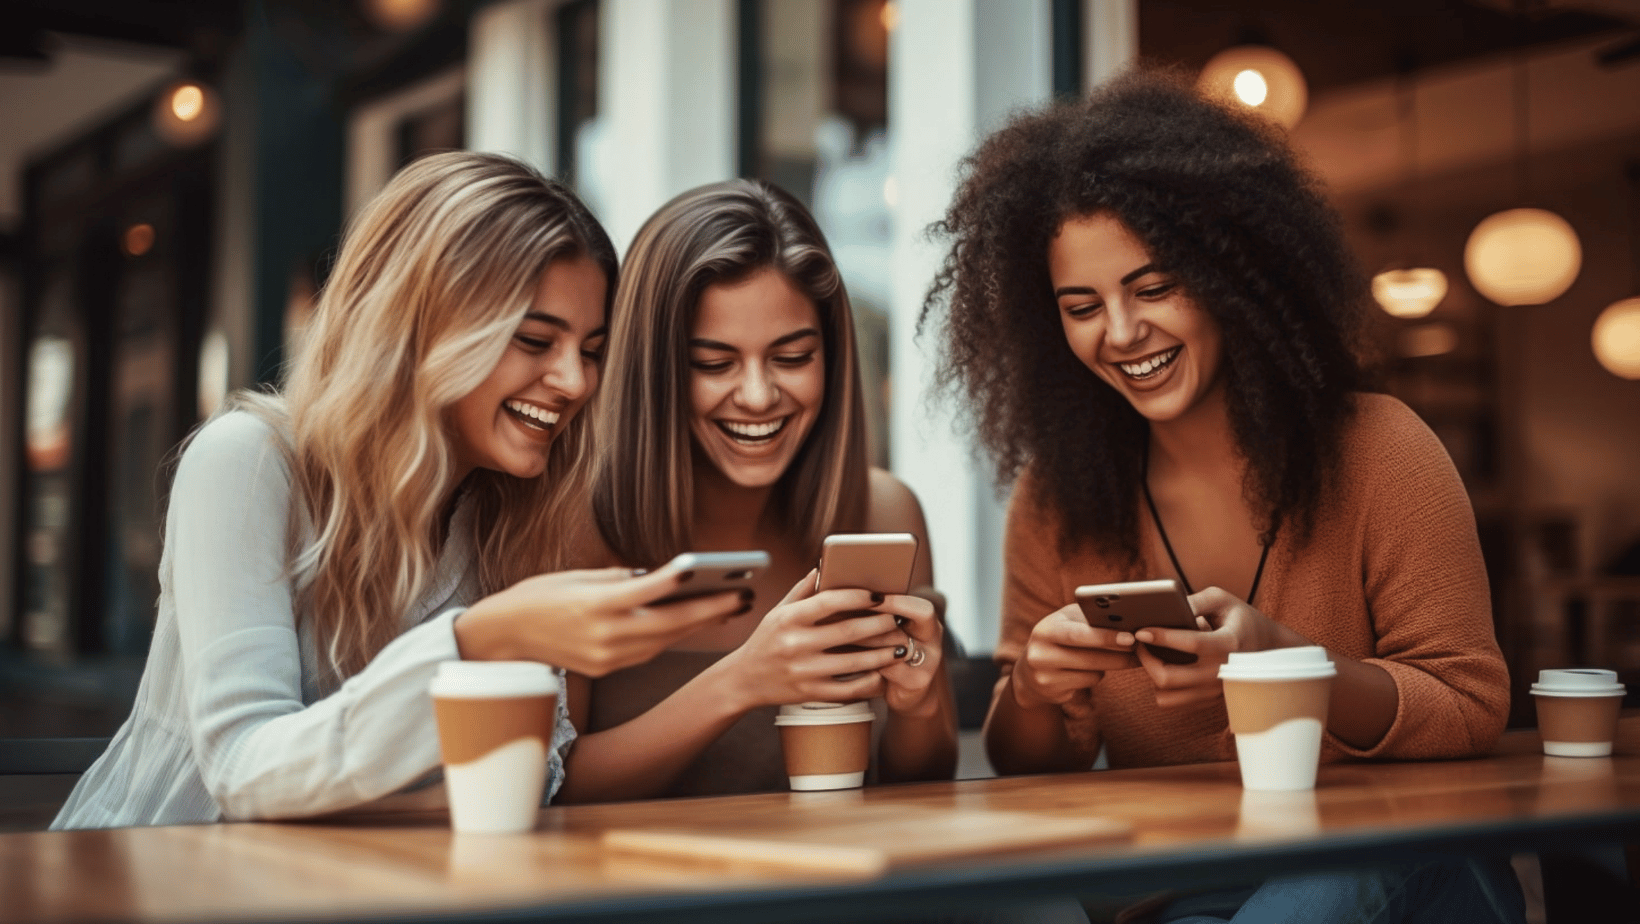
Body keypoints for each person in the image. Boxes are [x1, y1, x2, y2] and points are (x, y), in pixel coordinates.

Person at [921, 71, 1521, 922]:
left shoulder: (1381, 449)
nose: (1121, 332)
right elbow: (1033, 767)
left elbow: (1469, 706)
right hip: (1190, 892)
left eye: (1154, 288)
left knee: (1337, 879)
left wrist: (1284, 662)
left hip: (1399, 866)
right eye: (1081, 306)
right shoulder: (1060, 499)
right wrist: (1035, 689)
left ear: (1234, 274)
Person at [53, 152, 742, 830]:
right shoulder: (249, 462)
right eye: (535, 341)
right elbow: (242, 770)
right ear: (421, 326)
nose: (576, 381)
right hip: (152, 873)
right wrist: (480, 639)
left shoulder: (514, 516)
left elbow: (534, 778)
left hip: (366, 882)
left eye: (591, 351)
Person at [554, 179, 957, 801]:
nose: (759, 396)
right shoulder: (575, 525)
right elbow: (554, 789)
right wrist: (743, 681)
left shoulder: (881, 511)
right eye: (714, 364)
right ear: (652, 371)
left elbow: (923, 786)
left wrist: (920, 704)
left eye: (792, 358)